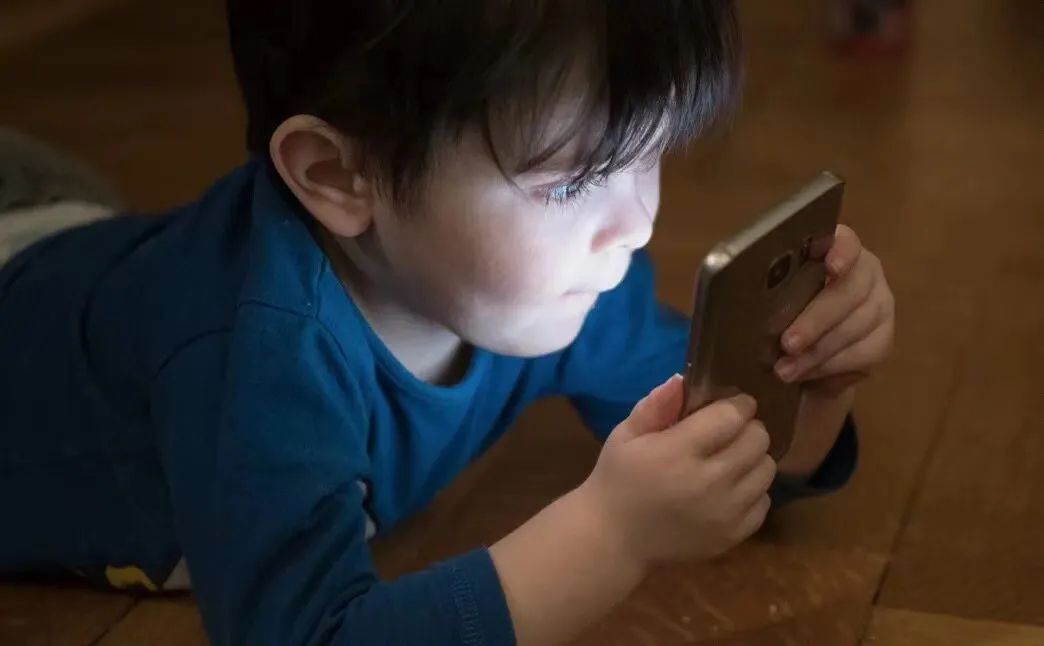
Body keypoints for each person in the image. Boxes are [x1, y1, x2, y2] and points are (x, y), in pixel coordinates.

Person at [0, 1, 894, 644]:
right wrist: (610, 533)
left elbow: (723, 451)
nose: (638, 225)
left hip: (85, 249)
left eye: (649, 154)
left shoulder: (569, 279)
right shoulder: (260, 362)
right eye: (576, 181)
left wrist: (809, 385)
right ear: (339, 177)